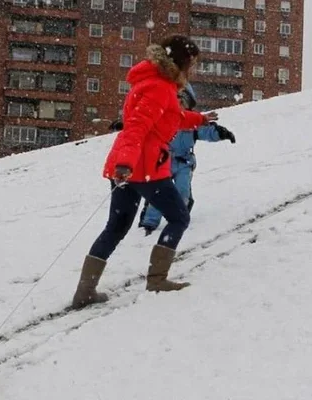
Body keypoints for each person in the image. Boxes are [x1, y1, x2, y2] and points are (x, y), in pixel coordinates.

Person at [71, 35, 218, 310]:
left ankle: (85, 291)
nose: (194, 69)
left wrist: (199, 119)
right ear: (182, 62)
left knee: (116, 227)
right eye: (193, 63)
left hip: (128, 167)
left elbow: (171, 115)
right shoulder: (161, 88)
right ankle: (157, 280)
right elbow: (136, 127)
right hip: (144, 167)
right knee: (179, 217)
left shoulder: (151, 82)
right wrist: (127, 164)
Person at [135, 82, 236, 235]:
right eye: (176, 101)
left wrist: (221, 133)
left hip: (184, 163)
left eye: (183, 101)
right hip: (163, 162)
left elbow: (206, 131)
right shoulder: (163, 118)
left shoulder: (192, 121)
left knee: (182, 190)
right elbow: (143, 126)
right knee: (159, 193)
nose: (179, 104)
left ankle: (178, 217)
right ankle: (149, 222)